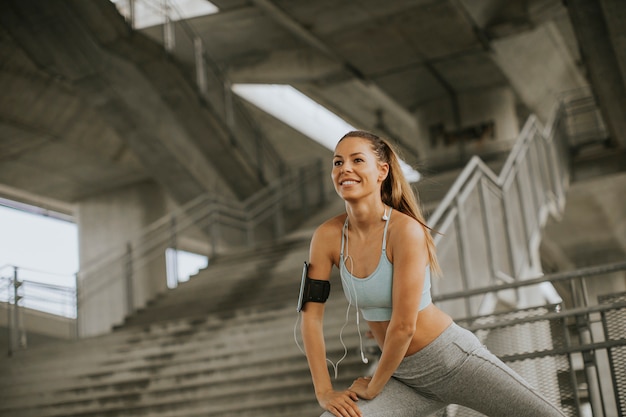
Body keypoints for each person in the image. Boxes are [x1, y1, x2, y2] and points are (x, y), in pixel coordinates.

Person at [300, 130, 567, 417]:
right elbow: (311, 317)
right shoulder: (326, 237)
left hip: (453, 361)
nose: (345, 169)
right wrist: (324, 391)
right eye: (338, 162)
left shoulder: (405, 231)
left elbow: (404, 326)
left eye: (357, 160)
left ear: (382, 171)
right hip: (400, 375)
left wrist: (375, 385)